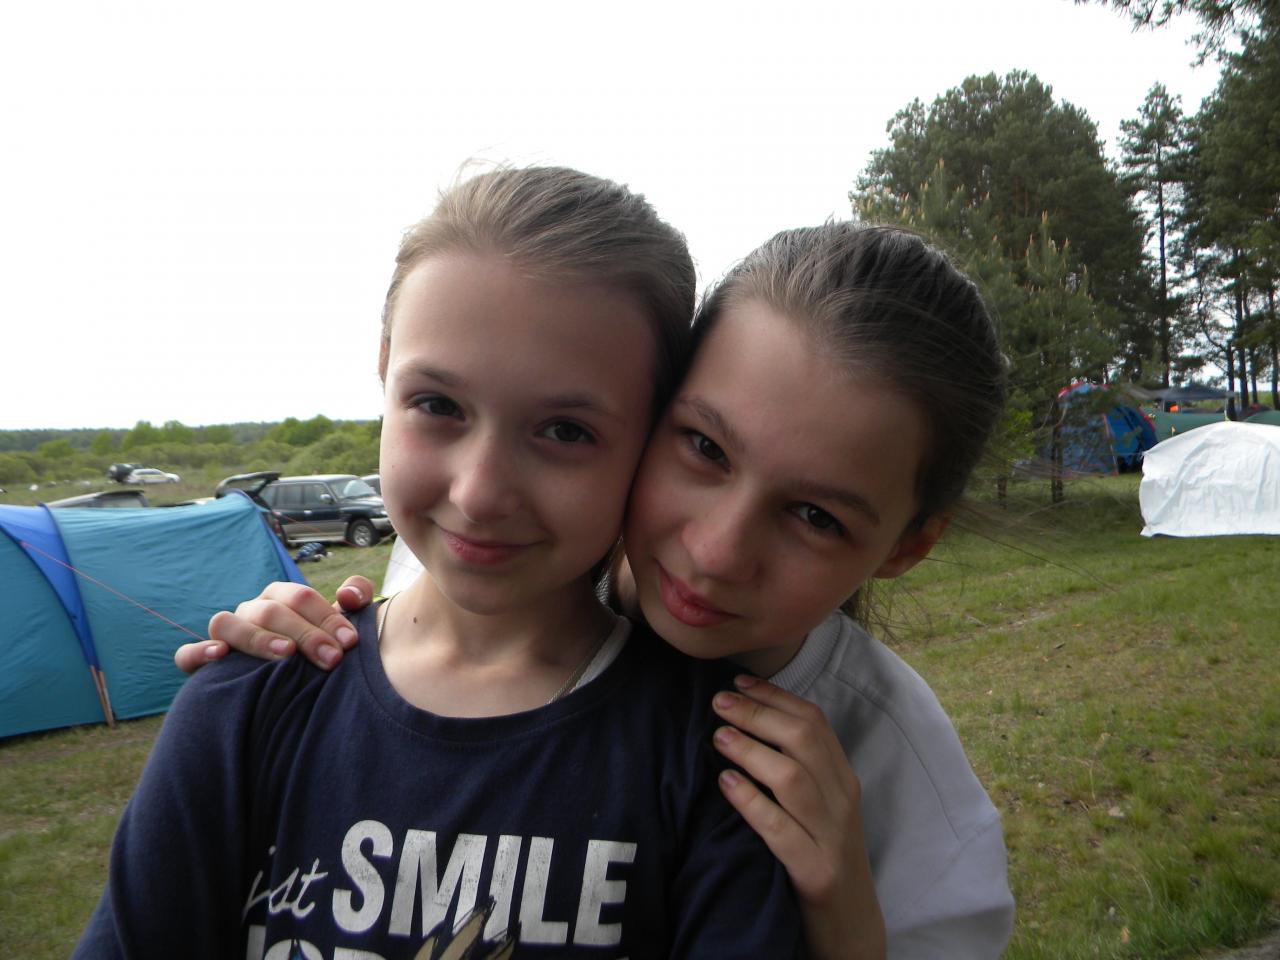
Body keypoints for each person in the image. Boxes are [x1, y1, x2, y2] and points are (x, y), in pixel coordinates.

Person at [181, 222, 1017, 959]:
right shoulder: (497, 560)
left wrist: (848, 929)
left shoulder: (910, 788)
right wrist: (282, 637)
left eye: (815, 516)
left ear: (908, 546)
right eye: (705, 448)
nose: (716, 553)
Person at [76, 167, 804, 960]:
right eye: (438, 406)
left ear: (652, 435)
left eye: (565, 430)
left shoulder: (715, 761)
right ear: (384, 369)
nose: (480, 492)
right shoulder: (246, 705)